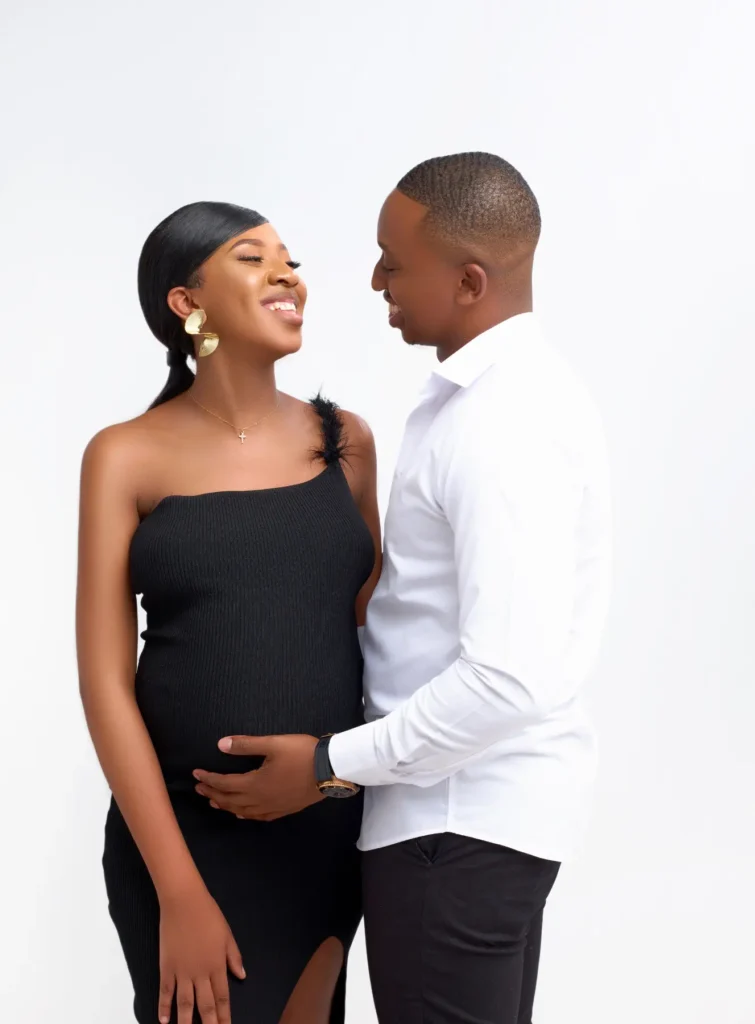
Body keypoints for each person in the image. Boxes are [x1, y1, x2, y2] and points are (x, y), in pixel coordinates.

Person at [194, 154, 612, 1024]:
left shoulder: (501, 420)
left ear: (468, 282)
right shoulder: (488, 401)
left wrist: (325, 766)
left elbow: (505, 680)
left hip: (451, 828)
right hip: (459, 827)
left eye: (393, 261)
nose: (375, 280)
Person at [76, 201, 381, 1024]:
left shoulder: (345, 442)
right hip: (183, 838)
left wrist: (342, 775)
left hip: (322, 829)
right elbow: (105, 685)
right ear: (187, 303)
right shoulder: (124, 454)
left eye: (290, 260)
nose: (287, 275)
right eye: (252, 259)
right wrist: (178, 891)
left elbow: (376, 642)